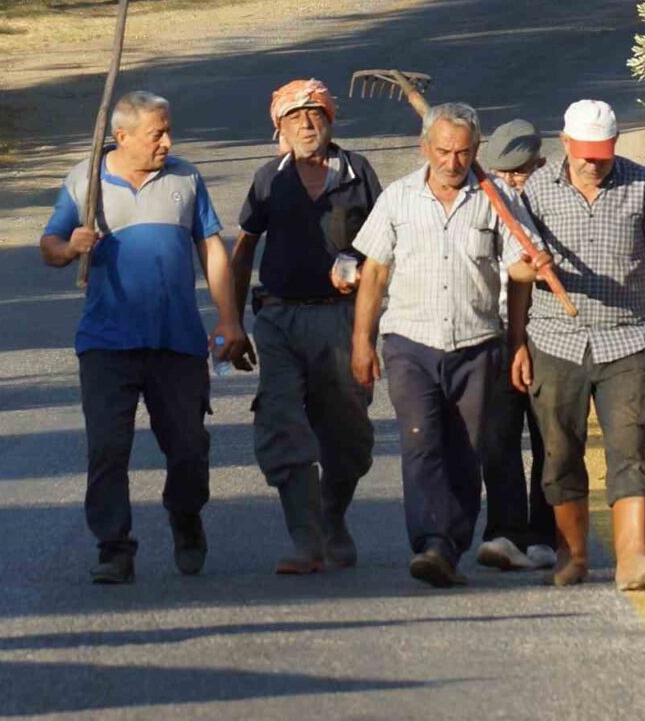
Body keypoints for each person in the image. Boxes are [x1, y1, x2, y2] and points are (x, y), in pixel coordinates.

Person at [40, 91, 250, 585]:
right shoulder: (86, 180)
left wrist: (229, 319)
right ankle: (114, 548)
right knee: (107, 449)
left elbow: (212, 251)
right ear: (122, 137)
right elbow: (49, 245)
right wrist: (71, 247)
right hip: (106, 343)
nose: (168, 142)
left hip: (176, 341)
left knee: (189, 447)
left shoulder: (185, 178)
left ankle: (185, 516)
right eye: (158, 133)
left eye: (168, 130)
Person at [350, 102, 549, 588]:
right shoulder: (398, 198)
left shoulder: (496, 197)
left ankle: (450, 545)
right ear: (425, 148)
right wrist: (361, 342)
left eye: (462, 153)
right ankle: (432, 543)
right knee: (421, 442)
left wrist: (532, 268)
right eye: (443, 151)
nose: (452, 162)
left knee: (465, 449)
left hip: (477, 344)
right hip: (409, 343)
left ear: (476, 150)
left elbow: (517, 269)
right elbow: (374, 273)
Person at [509, 99, 645, 591]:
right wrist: (517, 341)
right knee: (559, 453)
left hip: (626, 341)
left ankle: (634, 558)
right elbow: (517, 274)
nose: (593, 164)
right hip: (554, 342)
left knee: (629, 449)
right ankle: (572, 557)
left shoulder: (640, 183)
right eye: (584, 154)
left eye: (603, 154)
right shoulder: (536, 191)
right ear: (565, 143)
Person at [230, 79, 383, 574]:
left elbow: (387, 246)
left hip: (343, 319)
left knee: (349, 434)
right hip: (279, 318)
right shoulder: (268, 179)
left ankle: (332, 516)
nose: (307, 124)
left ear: (331, 120)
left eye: (315, 114)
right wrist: (232, 323)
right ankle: (306, 536)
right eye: (294, 117)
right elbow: (243, 251)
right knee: (279, 421)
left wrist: (360, 270)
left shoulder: (357, 172)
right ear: (280, 128)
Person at [473, 119, 557, 572]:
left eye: (519, 172)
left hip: (547, 335)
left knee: (550, 436)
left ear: (540, 165)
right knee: (497, 436)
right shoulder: (483, 200)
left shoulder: (554, 202)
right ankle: (504, 532)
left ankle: (545, 534)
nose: (509, 181)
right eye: (501, 172)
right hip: (494, 331)